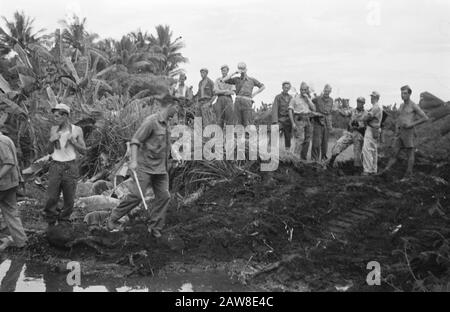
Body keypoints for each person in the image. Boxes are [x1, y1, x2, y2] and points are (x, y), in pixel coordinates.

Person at [107, 94, 181, 238]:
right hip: (145, 166)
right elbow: (135, 141)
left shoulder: (167, 124)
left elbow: (166, 143)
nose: (177, 110)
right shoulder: (151, 122)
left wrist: (175, 153)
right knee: (136, 196)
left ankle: (154, 227)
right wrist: (133, 161)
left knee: (164, 196)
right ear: (169, 105)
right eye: (176, 107)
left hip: (161, 168)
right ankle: (112, 218)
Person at [44, 104, 86, 227]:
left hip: (70, 166)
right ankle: (51, 219)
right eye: (54, 116)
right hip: (55, 166)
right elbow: (49, 151)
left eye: (57, 116)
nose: (55, 118)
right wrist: (52, 140)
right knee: (51, 197)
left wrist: (73, 142)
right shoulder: (53, 129)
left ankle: (64, 220)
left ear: (65, 116)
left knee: (69, 198)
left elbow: (84, 150)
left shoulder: (77, 130)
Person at [379, 85, 429, 180]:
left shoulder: (413, 105)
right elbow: (399, 118)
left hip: (409, 132)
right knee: (394, 152)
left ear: (409, 94)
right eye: (402, 93)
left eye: (405, 93)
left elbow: (425, 118)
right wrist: (396, 130)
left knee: (410, 154)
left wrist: (411, 124)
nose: (403, 95)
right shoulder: (401, 105)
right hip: (400, 132)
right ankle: (385, 171)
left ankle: (408, 175)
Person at [0, 127, 27, 252]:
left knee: (10, 211)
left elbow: (9, 162)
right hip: (11, 183)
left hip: (3, 184)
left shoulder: (1, 141)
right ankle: (21, 242)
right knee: (11, 212)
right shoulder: (6, 139)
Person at [328, 97, 367, 170]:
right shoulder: (353, 111)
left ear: (363, 103)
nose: (359, 103)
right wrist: (338, 109)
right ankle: (331, 161)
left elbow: (366, 125)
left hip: (359, 134)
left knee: (357, 151)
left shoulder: (366, 113)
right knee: (339, 144)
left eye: (361, 102)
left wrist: (359, 125)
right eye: (358, 101)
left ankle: (357, 168)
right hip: (350, 132)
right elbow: (344, 113)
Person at [288, 82, 320, 158]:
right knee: (300, 139)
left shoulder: (308, 99)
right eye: (302, 90)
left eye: (305, 90)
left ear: (307, 90)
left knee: (307, 140)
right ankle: (295, 157)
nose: (303, 91)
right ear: (300, 90)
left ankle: (303, 158)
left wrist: (308, 99)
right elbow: (290, 110)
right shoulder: (295, 99)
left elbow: (314, 109)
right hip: (299, 119)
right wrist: (293, 123)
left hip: (308, 120)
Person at [361, 91, 383, 175]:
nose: (371, 98)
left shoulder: (376, 107)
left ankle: (367, 170)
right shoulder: (376, 107)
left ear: (376, 98)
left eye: (372, 97)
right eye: (371, 97)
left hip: (371, 129)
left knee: (366, 149)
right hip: (376, 129)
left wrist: (364, 116)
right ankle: (373, 169)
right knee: (373, 150)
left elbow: (367, 117)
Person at [311, 84, 334, 162]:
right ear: (323, 90)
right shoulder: (317, 99)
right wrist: (313, 113)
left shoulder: (331, 100)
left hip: (327, 123)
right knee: (316, 142)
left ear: (330, 92)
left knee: (325, 143)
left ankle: (323, 160)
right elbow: (309, 104)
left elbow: (329, 111)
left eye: (328, 91)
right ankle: (314, 160)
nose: (326, 92)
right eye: (326, 90)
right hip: (318, 122)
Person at [271, 82, 293, 151]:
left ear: (289, 89)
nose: (286, 89)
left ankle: (287, 153)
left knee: (288, 137)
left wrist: (293, 122)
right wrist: (275, 121)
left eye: (288, 88)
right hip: (280, 120)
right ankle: (270, 150)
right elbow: (274, 109)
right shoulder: (278, 97)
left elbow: (292, 109)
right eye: (285, 87)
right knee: (274, 133)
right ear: (282, 87)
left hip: (288, 120)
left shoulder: (291, 98)